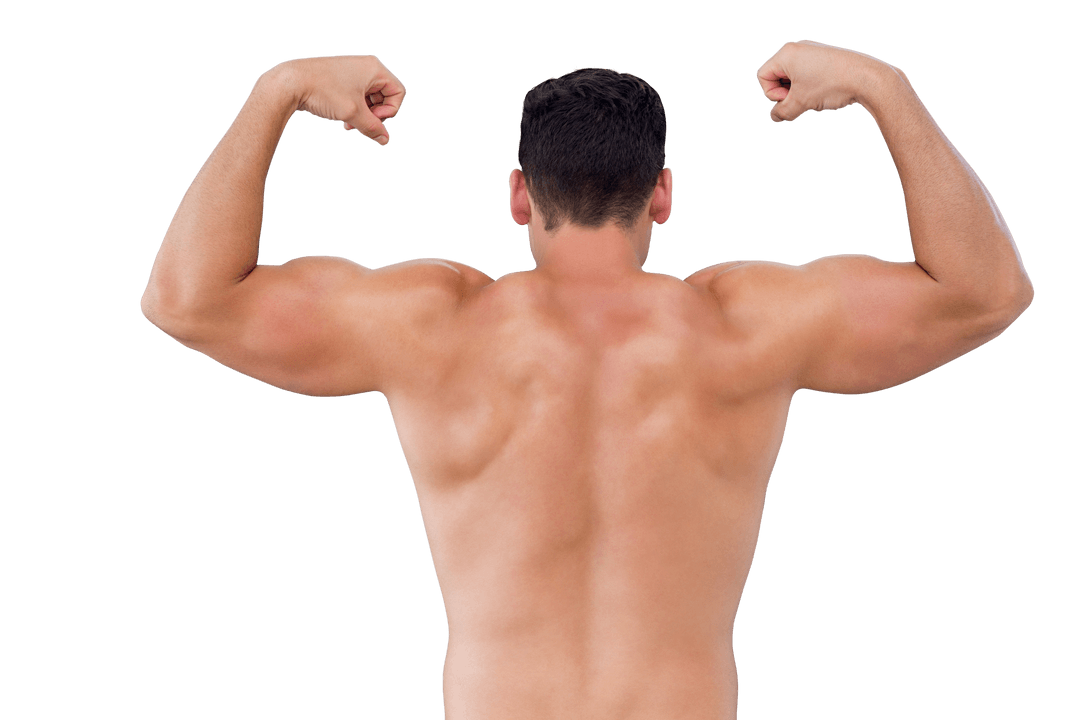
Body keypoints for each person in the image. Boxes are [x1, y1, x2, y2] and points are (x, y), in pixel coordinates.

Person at [140, 40, 1034, 720]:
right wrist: (886, 85)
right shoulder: (744, 325)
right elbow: (984, 293)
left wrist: (279, 89)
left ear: (521, 194)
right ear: (662, 195)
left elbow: (187, 302)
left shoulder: (432, 325)